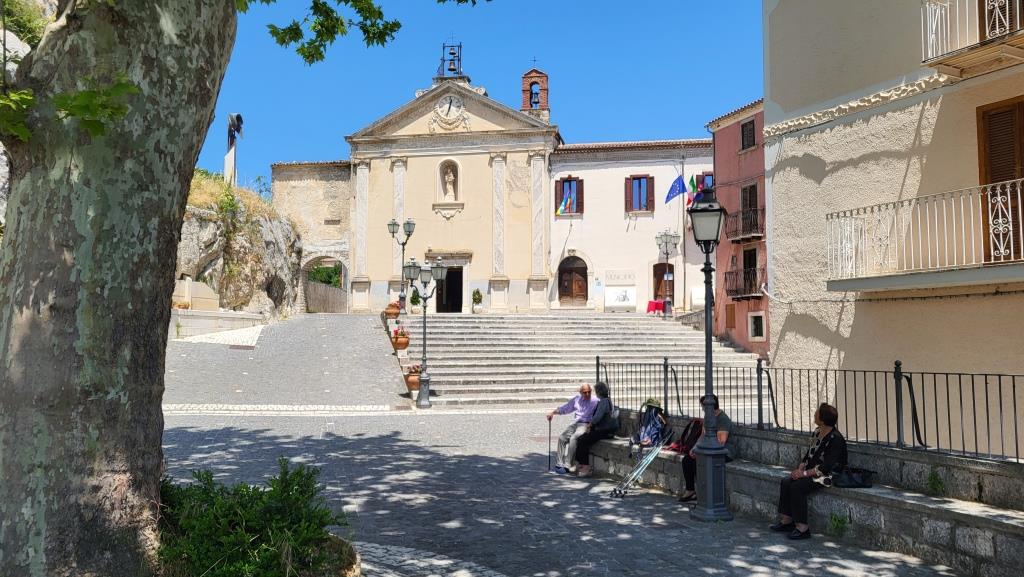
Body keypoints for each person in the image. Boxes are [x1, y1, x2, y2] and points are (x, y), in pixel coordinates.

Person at [770, 403, 847, 540]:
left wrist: (804, 474)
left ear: (822, 419)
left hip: (828, 475)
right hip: (811, 471)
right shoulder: (818, 432)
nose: (815, 414)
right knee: (786, 481)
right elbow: (809, 454)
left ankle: (803, 527)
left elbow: (826, 467)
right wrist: (801, 467)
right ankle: (787, 521)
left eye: (817, 413)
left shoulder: (836, 439)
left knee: (797, 487)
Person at [677, 394, 732, 503]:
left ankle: (704, 493)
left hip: (723, 452)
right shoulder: (708, 418)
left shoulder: (723, 419)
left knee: (700, 462)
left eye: (703, 407)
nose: (702, 409)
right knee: (687, 460)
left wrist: (703, 451)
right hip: (708, 449)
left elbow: (721, 441)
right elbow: (702, 436)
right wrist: (695, 448)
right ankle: (690, 491)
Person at [547, 383, 598, 475]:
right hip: (575, 423)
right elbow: (566, 408)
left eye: (589, 392)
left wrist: (592, 425)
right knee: (562, 437)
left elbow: (602, 410)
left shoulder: (595, 400)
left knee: (574, 438)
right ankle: (559, 464)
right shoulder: (577, 399)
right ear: (581, 392)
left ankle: (567, 465)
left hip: (585, 424)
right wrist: (552, 413)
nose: (587, 394)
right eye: (585, 392)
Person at [573, 382, 619, 477]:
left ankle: (585, 467)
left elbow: (597, 417)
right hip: (606, 430)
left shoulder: (603, 402)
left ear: (598, 392)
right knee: (581, 438)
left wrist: (589, 426)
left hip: (604, 430)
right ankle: (579, 464)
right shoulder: (607, 400)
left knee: (583, 440)